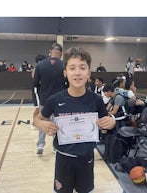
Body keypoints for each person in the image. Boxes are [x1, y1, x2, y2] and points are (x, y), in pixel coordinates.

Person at [33, 47, 116, 193]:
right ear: (65, 73)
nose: (77, 72)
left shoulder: (95, 100)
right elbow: (36, 120)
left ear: (89, 73)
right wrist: (42, 124)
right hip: (63, 159)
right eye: (72, 68)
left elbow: (107, 121)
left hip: (87, 159)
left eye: (82, 68)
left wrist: (112, 121)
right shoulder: (56, 99)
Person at [33, 43, 66, 154]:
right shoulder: (64, 65)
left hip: (44, 99)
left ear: (50, 51)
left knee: (43, 122)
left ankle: (40, 145)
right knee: (57, 124)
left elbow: (35, 83)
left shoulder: (40, 65)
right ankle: (56, 147)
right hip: (60, 100)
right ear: (61, 54)